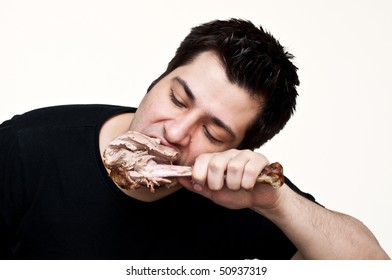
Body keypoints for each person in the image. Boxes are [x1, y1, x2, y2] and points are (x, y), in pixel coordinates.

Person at [0, 18, 389, 260]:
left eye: (212, 131)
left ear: (237, 149)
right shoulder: (26, 148)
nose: (174, 132)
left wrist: (278, 202)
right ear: (159, 78)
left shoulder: (242, 196)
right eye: (177, 98)